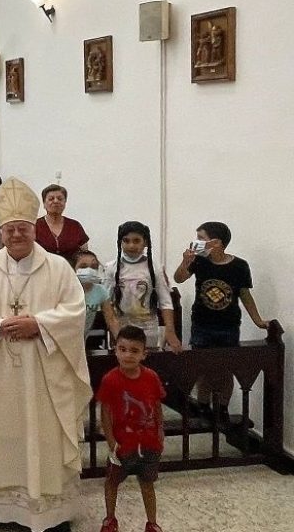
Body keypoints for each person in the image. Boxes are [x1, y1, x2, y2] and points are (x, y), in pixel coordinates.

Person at [0, 178, 90, 532]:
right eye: (10, 229)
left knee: (41, 436)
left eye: (23, 229)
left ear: (35, 230)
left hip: (44, 375)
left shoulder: (58, 268)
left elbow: (75, 312)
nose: (16, 235)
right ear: (1, 232)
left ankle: (48, 510)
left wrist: (40, 324)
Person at [173, 221, 269, 419]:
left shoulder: (239, 266)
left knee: (226, 368)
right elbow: (179, 279)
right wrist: (186, 262)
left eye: (201, 238)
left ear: (216, 242)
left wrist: (258, 320)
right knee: (202, 368)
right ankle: (202, 405)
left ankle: (223, 408)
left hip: (228, 325)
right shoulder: (199, 262)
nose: (196, 242)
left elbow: (244, 294)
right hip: (202, 324)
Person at [96, 326, 166, 532]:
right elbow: (105, 412)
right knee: (112, 481)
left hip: (148, 443)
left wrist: (160, 432)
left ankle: (152, 523)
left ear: (144, 354)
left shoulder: (151, 377)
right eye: (123, 349)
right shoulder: (110, 379)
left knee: (147, 483)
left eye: (134, 351)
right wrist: (111, 442)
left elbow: (157, 405)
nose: (128, 355)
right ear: (115, 349)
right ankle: (110, 519)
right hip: (122, 444)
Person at [105, 222, 180, 352]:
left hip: (148, 328)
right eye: (126, 241)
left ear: (145, 242)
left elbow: (165, 301)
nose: (131, 245)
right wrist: (115, 331)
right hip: (121, 328)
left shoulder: (155, 267)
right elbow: (106, 302)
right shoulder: (111, 268)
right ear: (120, 242)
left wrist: (170, 331)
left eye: (136, 241)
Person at [72, 249, 117, 351]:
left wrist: (121, 343)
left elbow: (111, 320)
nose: (89, 270)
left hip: (82, 340)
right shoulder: (65, 288)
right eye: (83, 266)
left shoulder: (100, 290)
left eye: (93, 267)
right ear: (73, 268)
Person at [34, 184, 90, 260]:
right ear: (44, 204)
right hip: (42, 270)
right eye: (51, 199)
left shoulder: (75, 226)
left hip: (70, 270)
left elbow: (85, 254)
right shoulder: (34, 226)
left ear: (65, 203)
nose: (56, 201)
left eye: (60, 199)